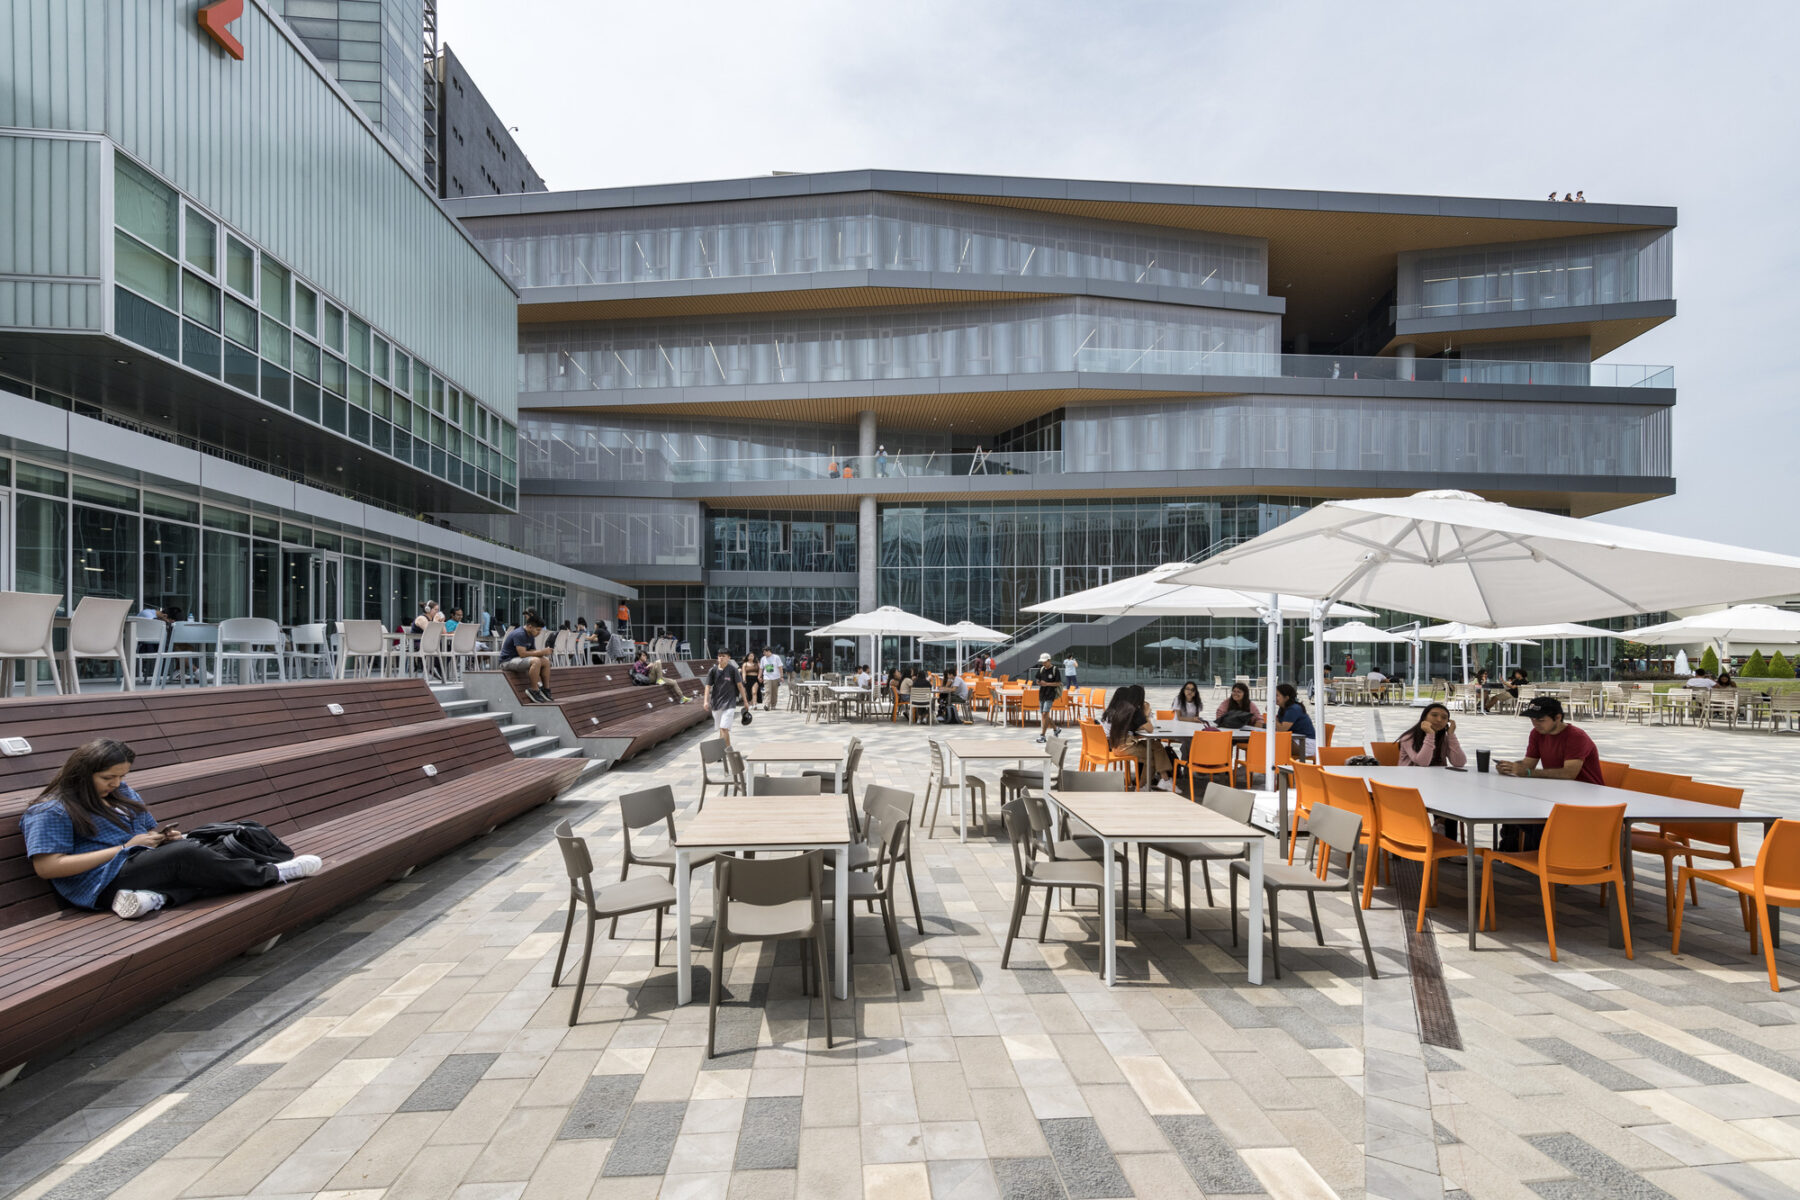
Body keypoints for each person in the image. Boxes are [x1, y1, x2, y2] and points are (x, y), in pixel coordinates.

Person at [22, 739, 322, 920]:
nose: (115, 783)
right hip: (99, 883)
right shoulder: (51, 810)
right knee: (188, 855)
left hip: (136, 866)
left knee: (204, 847)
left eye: (121, 776)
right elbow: (48, 867)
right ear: (81, 773)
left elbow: (147, 831)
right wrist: (125, 848)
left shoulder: (121, 793)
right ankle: (275, 874)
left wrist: (163, 838)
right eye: (107, 777)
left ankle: (158, 898)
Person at [1498, 697, 1602, 784]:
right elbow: (1528, 764)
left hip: (1587, 794)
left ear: (1557, 717)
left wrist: (1528, 773)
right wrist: (1509, 767)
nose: (1535, 724)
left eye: (1540, 720)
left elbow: (1569, 773)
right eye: (1532, 719)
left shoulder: (1576, 736)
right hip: (1557, 790)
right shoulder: (1537, 733)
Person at [1103, 685, 1172, 787]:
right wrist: (1146, 714)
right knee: (1151, 756)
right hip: (1124, 745)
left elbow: (1129, 728)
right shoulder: (1132, 710)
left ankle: (1164, 780)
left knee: (1156, 745)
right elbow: (1150, 729)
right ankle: (1143, 786)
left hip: (1119, 743)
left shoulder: (1119, 711)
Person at [501, 614, 555, 702]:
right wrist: (542, 652)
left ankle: (545, 689)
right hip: (507, 661)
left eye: (540, 630)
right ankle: (534, 690)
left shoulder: (530, 635)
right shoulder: (520, 634)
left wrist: (543, 654)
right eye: (537, 630)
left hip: (519, 660)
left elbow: (532, 651)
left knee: (546, 661)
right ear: (530, 627)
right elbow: (522, 654)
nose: (539, 633)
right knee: (536, 661)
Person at [704, 649, 749, 747]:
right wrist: (705, 701)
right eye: (719, 656)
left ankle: (725, 752)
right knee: (722, 728)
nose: (721, 658)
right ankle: (727, 749)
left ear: (729, 658)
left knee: (724, 728)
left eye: (723, 656)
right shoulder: (713, 671)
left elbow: (740, 686)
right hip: (716, 703)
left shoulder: (733, 670)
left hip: (730, 703)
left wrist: (745, 701)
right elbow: (707, 686)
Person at [1397, 703, 1465, 768]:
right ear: (1424, 717)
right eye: (1434, 715)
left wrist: (1451, 735)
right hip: (1410, 777)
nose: (1439, 720)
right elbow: (1422, 763)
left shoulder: (1445, 739)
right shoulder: (1408, 738)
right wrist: (1430, 734)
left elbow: (1459, 763)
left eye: (1444, 717)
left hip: (1438, 777)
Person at [1272, 683, 1317, 755]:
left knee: (1273, 744)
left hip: (1305, 743)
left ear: (1286, 698)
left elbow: (1281, 730)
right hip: (1295, 739)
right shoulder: (1282, 708)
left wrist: (1272, 716)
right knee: (1268, 742)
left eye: (1277, 695)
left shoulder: (1293, 709)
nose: (1274, 697)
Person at [1033, 652, 1062, 743]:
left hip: (1050, 694)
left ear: (1049, 660)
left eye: (1045, 662)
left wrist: (1047, 684)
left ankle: (1043, 736)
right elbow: (1037, 678)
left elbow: (1058, 683)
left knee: (1045, 714)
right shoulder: (1041, 669)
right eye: (1042, 662)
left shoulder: (1055, 669)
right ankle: (1056, 729)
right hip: (1042, 694)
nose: (1043, 663)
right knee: (1044, 715)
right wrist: (1038, 682)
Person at [759, 645, 784, 710]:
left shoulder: (776, 657)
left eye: (764, 652)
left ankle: (773, 705)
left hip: (776, 677)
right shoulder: (763, 659)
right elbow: (761, 668)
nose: (763, 653)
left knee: (774, 692)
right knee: (767, 691)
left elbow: (780, 667)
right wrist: (759, 676)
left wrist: (781, 676)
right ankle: (767, 705)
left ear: (769, 651)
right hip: (767, 677)